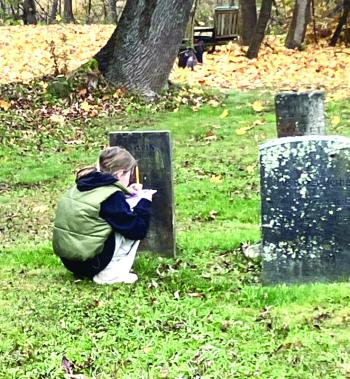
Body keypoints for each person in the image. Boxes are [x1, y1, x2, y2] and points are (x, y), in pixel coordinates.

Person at [52, 146, 156, 284]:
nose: (130, 178)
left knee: (118, 219)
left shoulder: (82, 185)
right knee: (131, 224)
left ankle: (100, 270)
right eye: (129, 174)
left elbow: (102, 207)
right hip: (91, 264)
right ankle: (109, 275)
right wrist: (145, 202)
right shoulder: (111, 197)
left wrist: (125, 192)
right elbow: (138, 230)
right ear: (120, 174)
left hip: (70, 262)